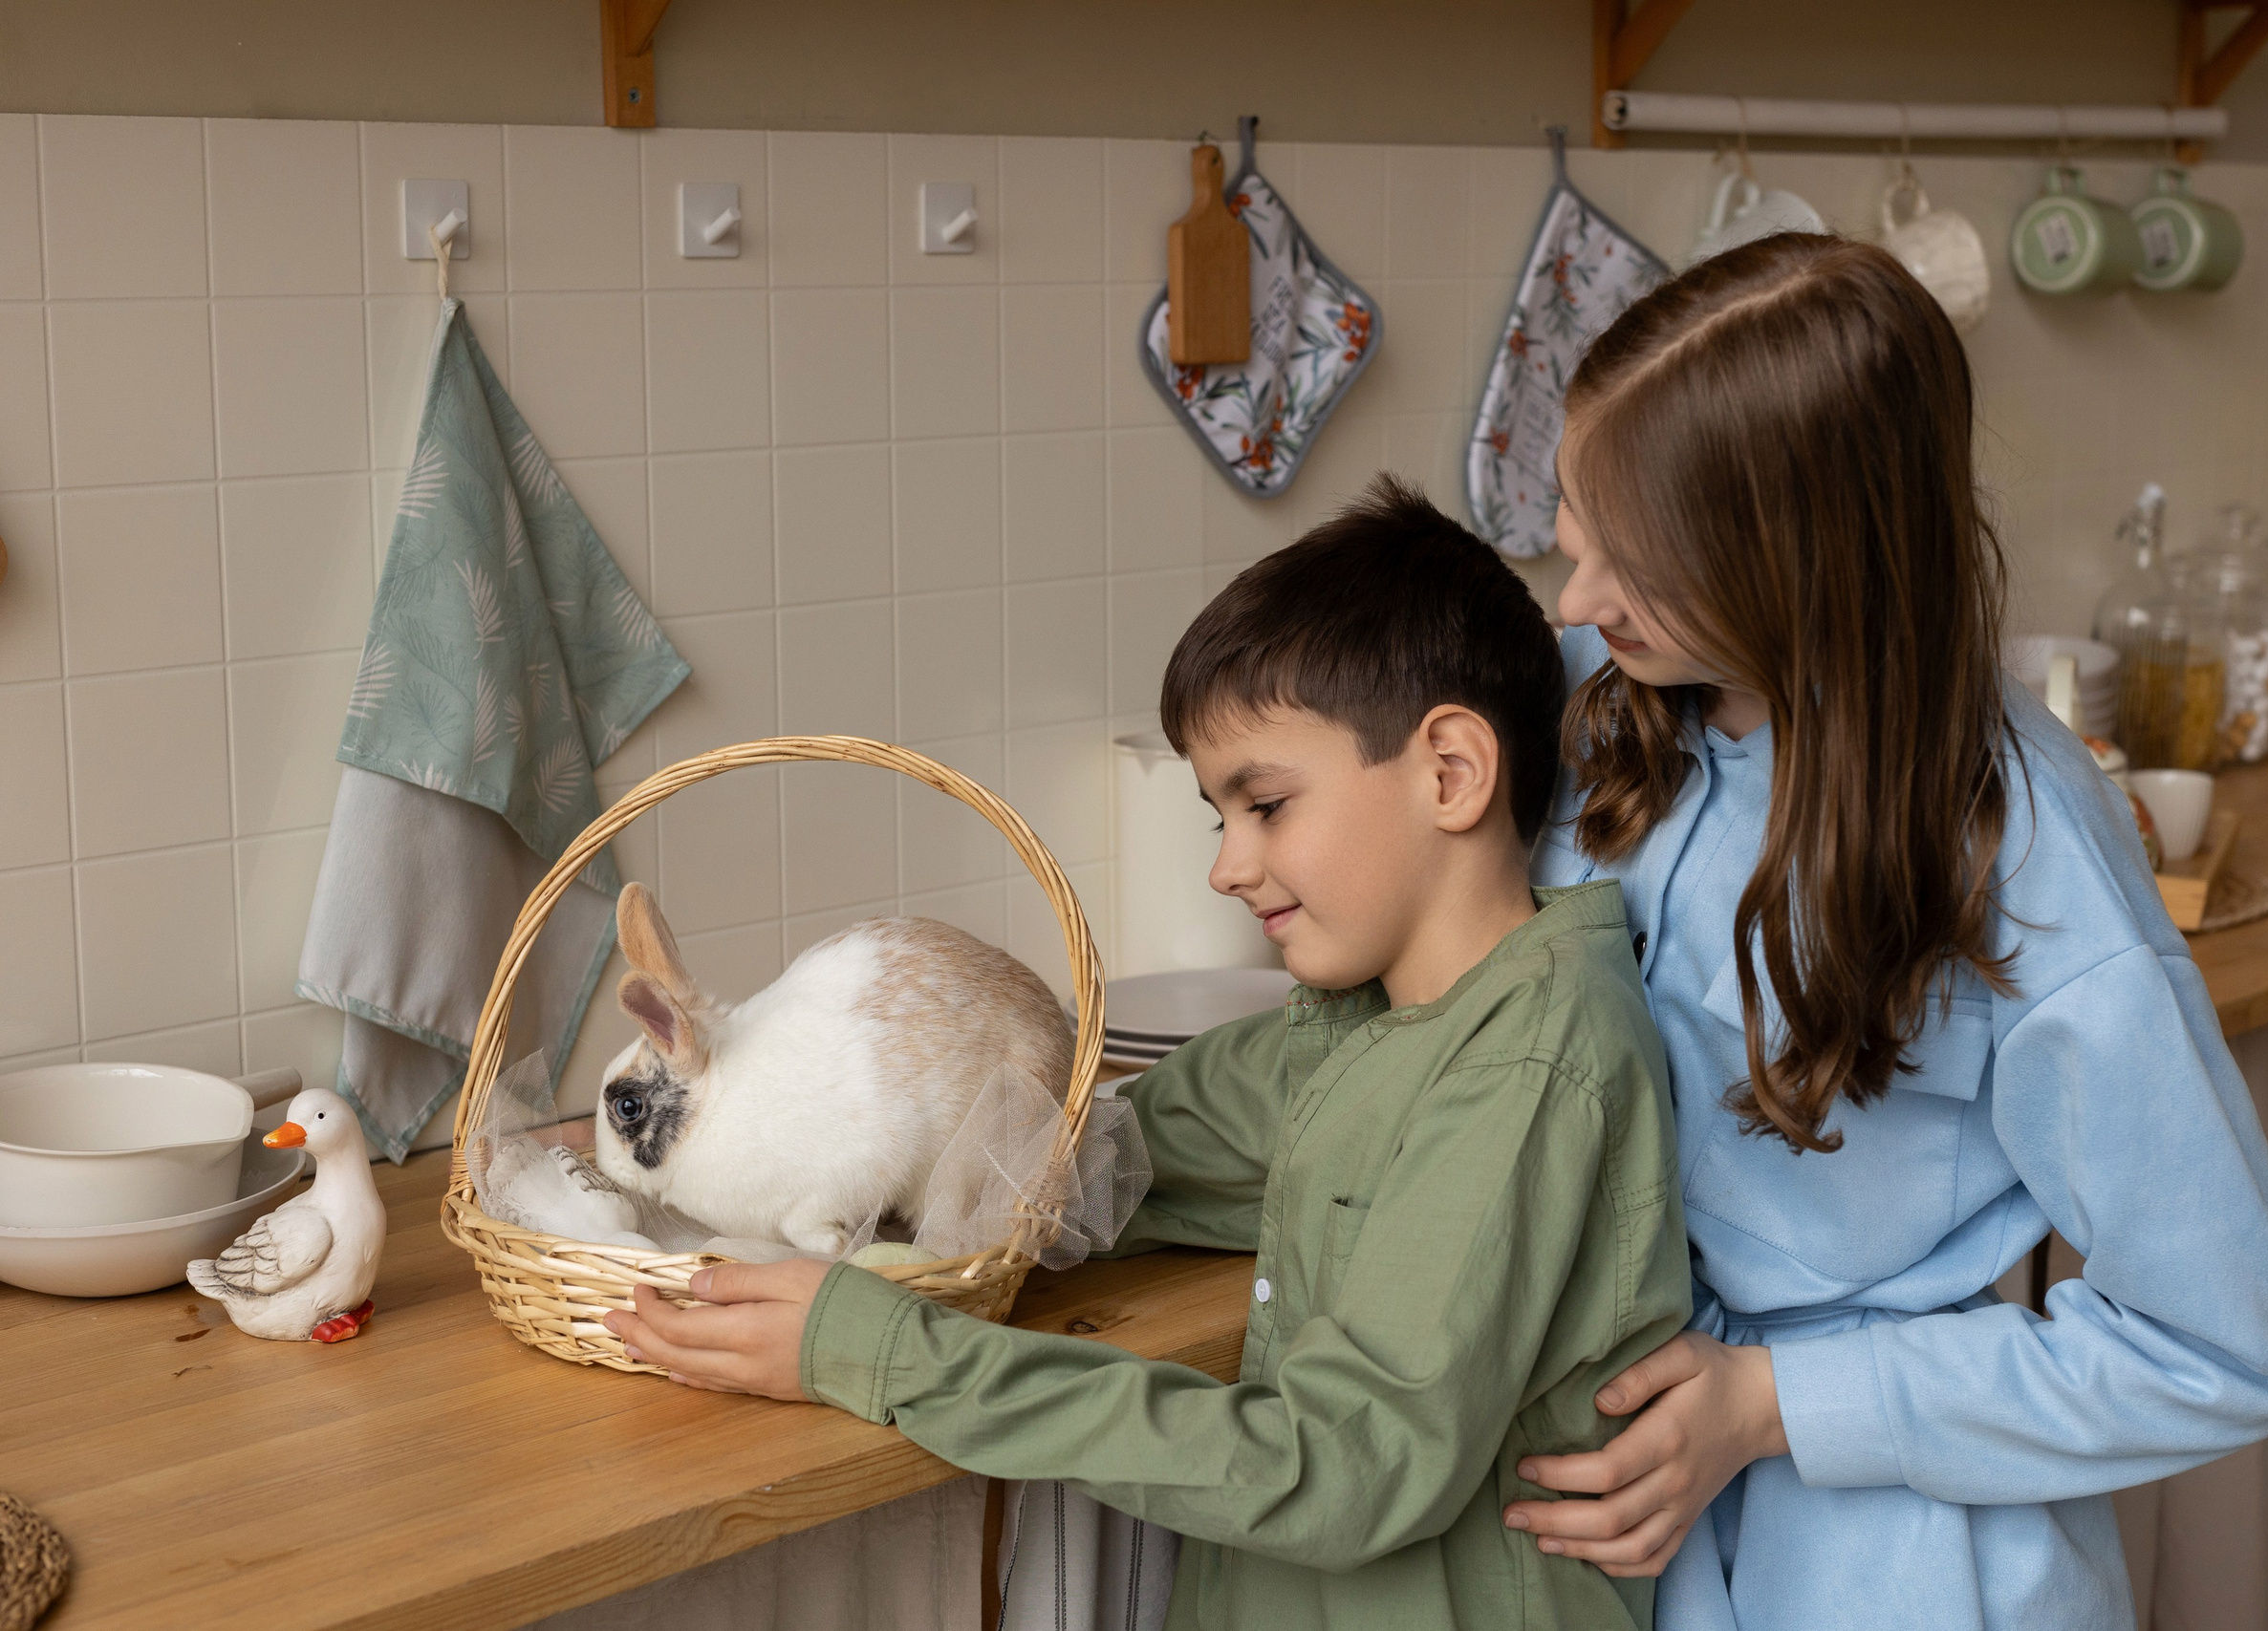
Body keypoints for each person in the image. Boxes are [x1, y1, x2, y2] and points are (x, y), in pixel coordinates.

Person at [607, 478, 1692, 1631]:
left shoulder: (1523, 1075)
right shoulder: (1361, 1025)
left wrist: (881, 1351)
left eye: (1265, 805)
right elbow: (1097, 1155)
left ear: (1451, 773)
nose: (1226, 867)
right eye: (1221, 819)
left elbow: (1337, 1469)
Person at [1496, 233, 2268, 1629]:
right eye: (1577, 534)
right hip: (1618, 1532)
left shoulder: (2025, 836)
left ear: (1801, 561)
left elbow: (2230, 1344)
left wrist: (1776, 1403)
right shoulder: (1593, 694)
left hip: (1903, 1566)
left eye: (1638, 565)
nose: (1577, 601)